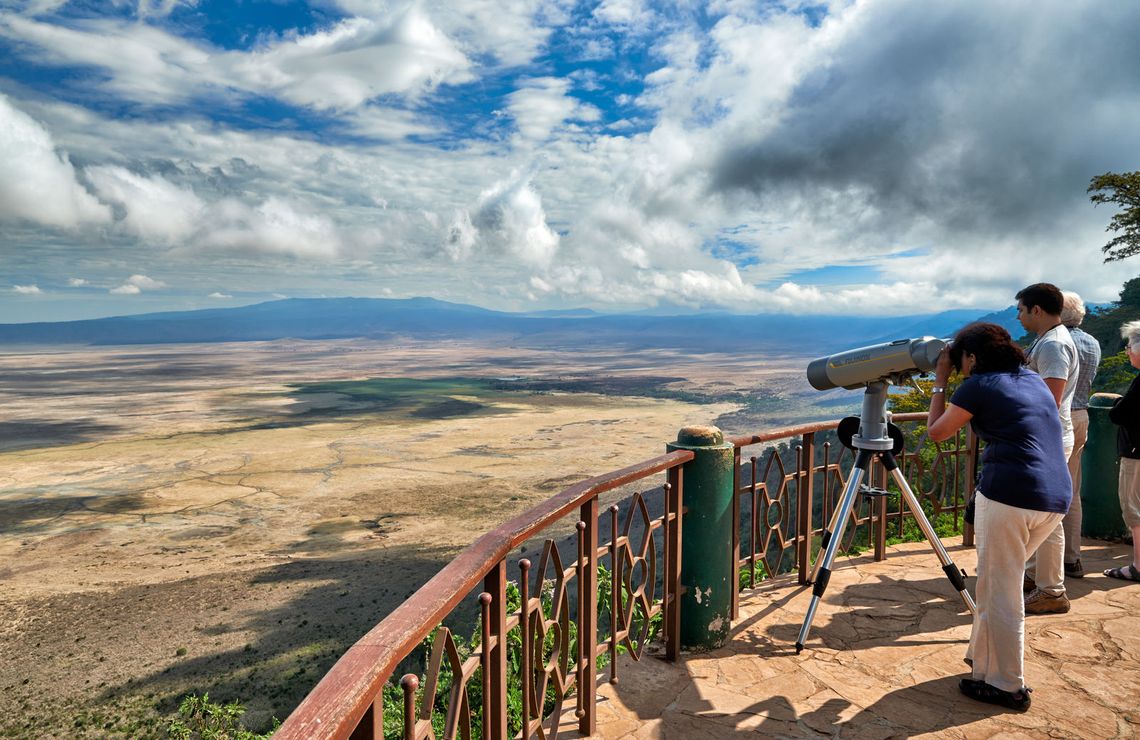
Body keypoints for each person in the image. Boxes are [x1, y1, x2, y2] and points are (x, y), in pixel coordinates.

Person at [927, 322, 1071, 711]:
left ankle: (1008, 685)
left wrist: (940, 379)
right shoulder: (1033, 379)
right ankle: (983, 660)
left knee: (1002, 591)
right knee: (994, 583)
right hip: (1055, 497)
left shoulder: (979, 384)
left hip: (1010, 495)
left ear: (972, 357)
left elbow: (937, 432)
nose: (958, 366)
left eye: (959, 360)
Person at [1016, 283, 1078, 614]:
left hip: (1048, 439)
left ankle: (1051, 590)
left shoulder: (1053, 345)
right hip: (1047, 438)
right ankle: (1034, 575)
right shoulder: (1049, 339)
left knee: (1047, 515)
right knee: (1043, 512)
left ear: (1036, 310)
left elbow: (1049, 400)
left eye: (1021, 310)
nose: (1019, 316)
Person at [1060, 291, 1101, 577]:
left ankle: (1041, 565)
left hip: (1059, 418)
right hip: (1082, 415)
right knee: (1072, 490)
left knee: (1046, 490)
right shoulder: (1092, 342)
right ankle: (1071, 558)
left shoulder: (1056, 342)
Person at [1106, 320, 1140, 582]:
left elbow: (1119, 414)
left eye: (1129, 347)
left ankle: (1138, 565)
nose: (1127, 351)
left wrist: (1119, 405)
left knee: (1134, 509)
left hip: (1136, 452)